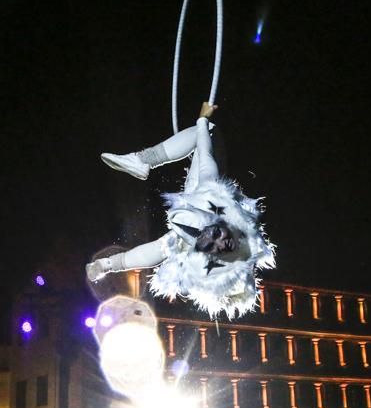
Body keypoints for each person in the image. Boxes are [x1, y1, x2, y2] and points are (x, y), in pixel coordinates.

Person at [86, 103, 275, 319]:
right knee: (207, 133)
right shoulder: (218, 204)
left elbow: (151, 253)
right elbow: (206, 158)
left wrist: (106, 265)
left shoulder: (190, 242)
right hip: (207, 192)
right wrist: (202, 120)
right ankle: (143, 160)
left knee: (206, 131)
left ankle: (143, 160)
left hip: (200, 206)